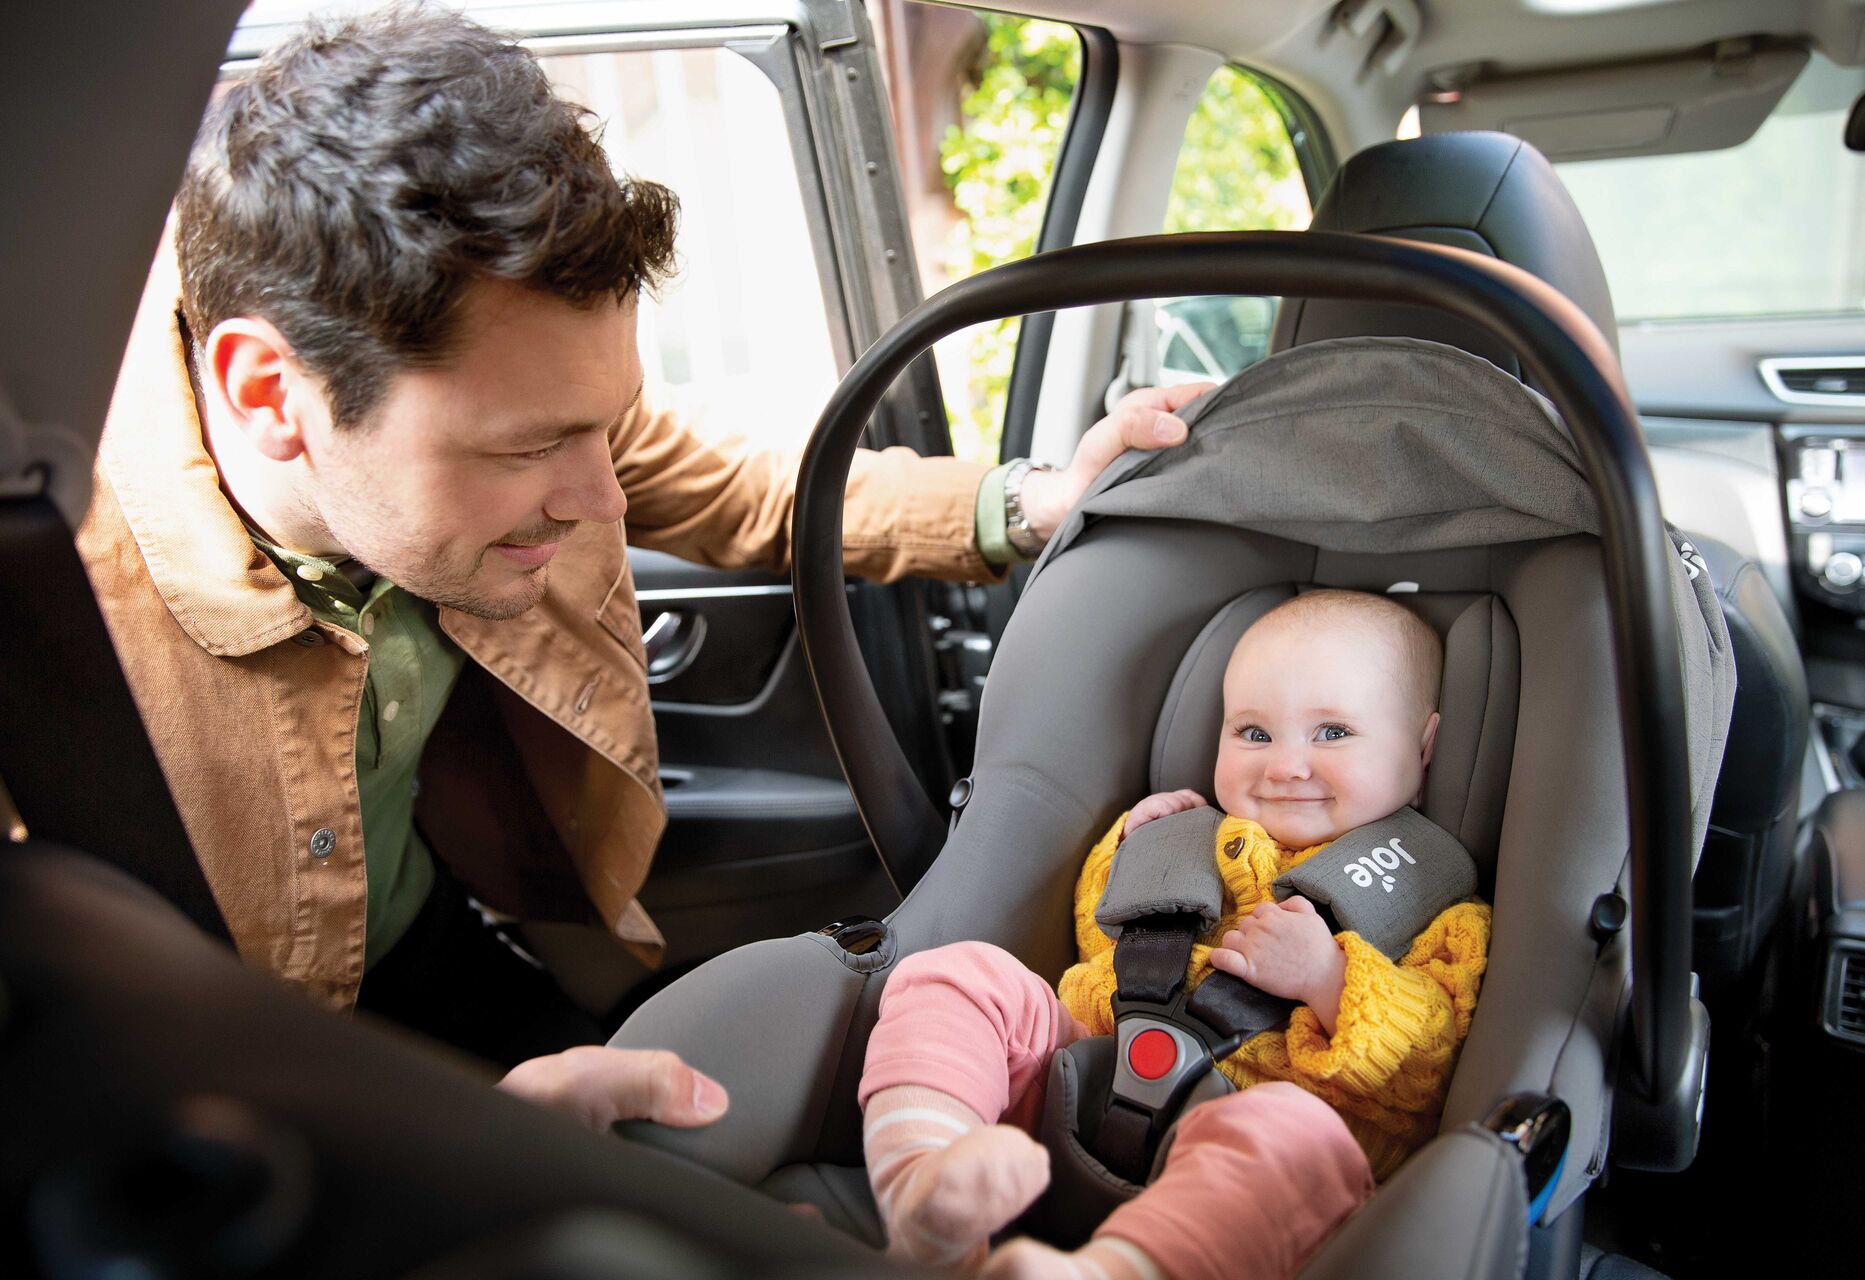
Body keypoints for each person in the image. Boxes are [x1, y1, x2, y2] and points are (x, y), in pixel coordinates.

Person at [74, 1, 1204, 1124]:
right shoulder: (54, 605)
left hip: (420, 936)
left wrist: (1030, 499)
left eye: (601, 426)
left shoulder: (515, 424)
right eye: (525, 446)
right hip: (180, 1073)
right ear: (272, 394)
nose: (603, 497)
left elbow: (739, 484)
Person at [851, 590, 1494, 1279]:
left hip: (1251, 1174)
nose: (1284, 766)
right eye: (1254, 733)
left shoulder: (1435, 906)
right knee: (959, 975)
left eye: (1332, 733)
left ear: (1422, 749)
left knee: (1296, 1137)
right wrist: (1132, 850)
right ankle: (927, 1189)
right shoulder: (1193, 839)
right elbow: (1100, 948)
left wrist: (1331, 981)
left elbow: (1429, 1068)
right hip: (1087, 1085)